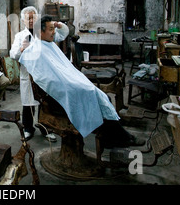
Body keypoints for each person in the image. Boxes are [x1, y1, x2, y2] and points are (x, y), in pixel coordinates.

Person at [19, 15, 144, 148]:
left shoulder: (48, 44)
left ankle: (114, 136)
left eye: (53, 29)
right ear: (40, 32)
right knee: (94, 96)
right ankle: (118, 137)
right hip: (58, 95)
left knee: (100, 96)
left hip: (68, 86)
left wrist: (58, 25)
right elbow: (45, 78)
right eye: (50, 29)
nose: (54, 32)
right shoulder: (35, 50)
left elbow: (63, 32)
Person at [10, 7, 67, 142]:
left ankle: (46, 129)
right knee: (28, 105)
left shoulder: (43, 32)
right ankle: (28, 129)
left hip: (44, 75)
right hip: (28, 77)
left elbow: (62, 35)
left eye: (33, 17)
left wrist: (60, 26)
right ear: (23, 20)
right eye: (28, 18)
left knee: (45, 103)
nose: (31, 20)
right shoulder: (20, 36)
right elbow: (13, 55)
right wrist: (21, 49)